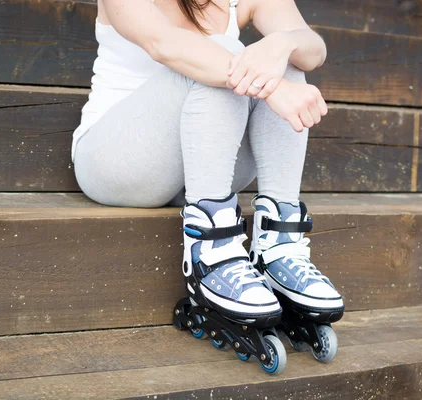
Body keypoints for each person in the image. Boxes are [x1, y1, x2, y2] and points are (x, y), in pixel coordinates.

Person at [72, 0, 344, 365]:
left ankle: (278, 246)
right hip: (119, 160)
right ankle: (210, 256)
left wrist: (280, 44)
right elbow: (163, 43)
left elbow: (313, 48)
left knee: (288, 62)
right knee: (226, 54)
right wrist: (273, 87)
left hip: (205, 159)